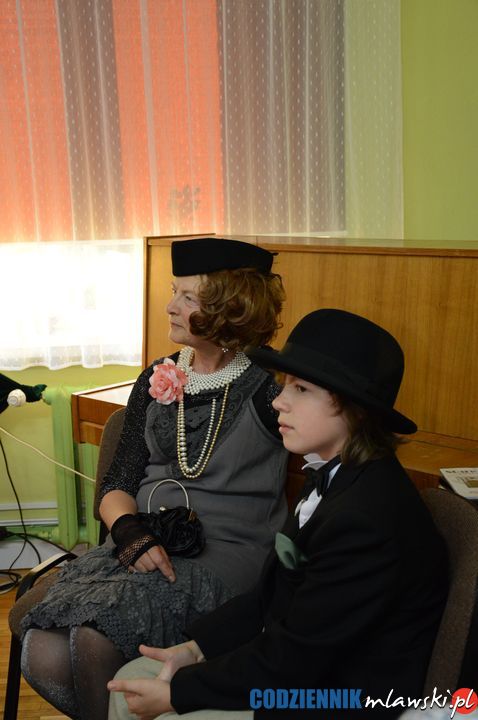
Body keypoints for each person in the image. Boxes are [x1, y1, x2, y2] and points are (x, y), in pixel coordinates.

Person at [107, 308, 449, 720]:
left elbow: (295, 660)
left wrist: (179, 695)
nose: (280, 401)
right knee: (132, 679)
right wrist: (196, 649)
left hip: (337, 698)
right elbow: (270, 594)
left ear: (354, 410)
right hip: (297, 670)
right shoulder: (332, 473)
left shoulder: (367, 518)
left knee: (148, 705)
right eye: (286, 384)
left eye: (301, 389)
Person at [19, 237, 289, 720]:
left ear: (230, 307)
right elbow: (117, 483)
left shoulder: (271, 387)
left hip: (227, 554)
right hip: (144, 542)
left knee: (90, 637)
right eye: (173, 291)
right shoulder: (156, 377)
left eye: (188, 297)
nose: (170, 306)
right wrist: (129, 533)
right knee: (40, 648)